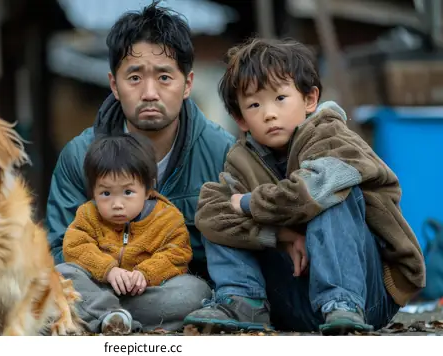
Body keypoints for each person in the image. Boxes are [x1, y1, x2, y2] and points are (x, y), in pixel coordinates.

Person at [183, 37, 426, 335]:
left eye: (280, 98)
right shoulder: (241, 159)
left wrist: (248, 204)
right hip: (291, 300)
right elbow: (210, 214)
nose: (269, 113)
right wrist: (280, 235)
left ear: (310, 99)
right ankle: (243, 301)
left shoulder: (333, 137)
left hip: (366, 296)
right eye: (254, 104)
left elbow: (312, 190)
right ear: (241, 119)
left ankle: (341, 301)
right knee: (219, 208)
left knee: (332, 192)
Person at [48, 2, 234, 282]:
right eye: (134, 77)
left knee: (187, 291)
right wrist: (111, 274)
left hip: (183, 294)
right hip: (101, 289)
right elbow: (58, 250)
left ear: (187, 84)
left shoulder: (221, 152)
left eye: (164, 77)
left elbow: (241, 247)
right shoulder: (79, 155)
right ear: (114, 85)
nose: (149, 93)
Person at [62, 133, 195, 333]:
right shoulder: (88, 214)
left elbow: (177, 254)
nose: (117, 204)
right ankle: (109, 314)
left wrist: (145, 274)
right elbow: (75, 247)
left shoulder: (167, 217)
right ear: (93, 191)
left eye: (128, 192)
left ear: (148, 188)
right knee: (62, 273)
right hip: (99, 289)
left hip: (146, 294)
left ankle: (108, 316)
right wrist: (109, 271)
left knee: (194, 290)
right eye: (106, 193)